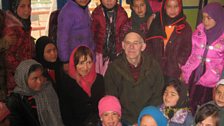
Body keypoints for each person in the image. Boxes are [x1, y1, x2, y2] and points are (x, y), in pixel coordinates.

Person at [104, 30, 164, 125]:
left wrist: (143, 118)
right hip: (123, 119)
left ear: (143, 46)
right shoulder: (113, 68)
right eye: (128, 43)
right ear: (123, 45)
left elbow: (157, 95)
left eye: (136, 43)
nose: (131, 47)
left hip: (147, 119)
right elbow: (112, 97)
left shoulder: (153, 66)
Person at [181, 2, 224, 115]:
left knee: (207, 105)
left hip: (212, 78)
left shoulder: (222, 38)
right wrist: (186, 70)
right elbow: (192, 53)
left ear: (218, 18)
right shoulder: (198, 32)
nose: (205, 21)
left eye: (209, 18)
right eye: (203, 17)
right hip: (196, 73)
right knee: (191, 100)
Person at [4, 59, 64, 126]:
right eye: (35, 78)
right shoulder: (15, 100)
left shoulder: (47, 88)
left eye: (41, 76)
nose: (40, 81)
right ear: (24, 79)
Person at [57, 46, 105, 126]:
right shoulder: (67, 83)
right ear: (74, 64)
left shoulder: (99, 79)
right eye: (81, 63)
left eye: (89, 62)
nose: (86, 67)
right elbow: (66, 113)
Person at [146, 0, 192, 82]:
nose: (172, 10)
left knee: (170, 92)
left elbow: (187, 47)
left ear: (180, 7)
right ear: (164, 7)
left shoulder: (185, 27)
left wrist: (179, 62)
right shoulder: (157, 23)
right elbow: (149, 43)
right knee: (157, 91)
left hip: (173, 70)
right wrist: (150, 61)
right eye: (169, 6)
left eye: (176, 6)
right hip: (156, 68)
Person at [4, 0, 35, 93]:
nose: (27, 10)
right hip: (15, 81)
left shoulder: (24, 26)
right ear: (14, 7)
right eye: (22, 6)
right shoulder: (11, 29)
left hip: (26, 78)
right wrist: (25, 70)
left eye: (29, 6)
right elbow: (7, 57)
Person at [91, 0, 128, 75]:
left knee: (115, 75)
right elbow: (92, 33)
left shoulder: (122, 13)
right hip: (100, 53)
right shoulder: (96, 13)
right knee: (101, 75)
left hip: (117, 53)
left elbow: (125, 34)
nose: (109, 1)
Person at [57, 0, 94, 73]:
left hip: (86, 56)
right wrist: (65, 60)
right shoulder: (67, 12)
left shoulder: (85, 8)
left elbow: (89, 34)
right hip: (73, 58)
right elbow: (62, 38)